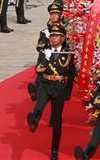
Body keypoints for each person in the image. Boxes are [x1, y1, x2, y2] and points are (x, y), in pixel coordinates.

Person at [27, 24, 75, 160]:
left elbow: (72, 73)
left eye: (57, 36)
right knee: (39, 105)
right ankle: (34, 121)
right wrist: (47, 58)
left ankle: (54, 149)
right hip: (45, 84)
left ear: (63, 38)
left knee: (57, 119)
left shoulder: (68, 54)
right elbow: (39, 69)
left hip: (59, 87)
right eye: (52, 36)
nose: (54, 38)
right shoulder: (44, 52)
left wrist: (68, 92)